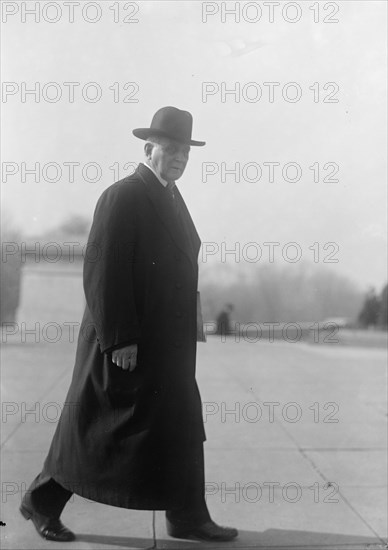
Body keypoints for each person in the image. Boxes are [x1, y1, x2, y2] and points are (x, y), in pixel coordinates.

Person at [20, 106, 238, 543]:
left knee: (181, 424)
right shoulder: (125, 196)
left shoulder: (171, 197)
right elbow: (103, 273)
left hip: (169, 346)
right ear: (148, 148)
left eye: (185, 151)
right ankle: (41, 501)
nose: (178, 157)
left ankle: (188, 515)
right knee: (100, 432)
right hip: (127, 342)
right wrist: (120, 338)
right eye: (171, 148)